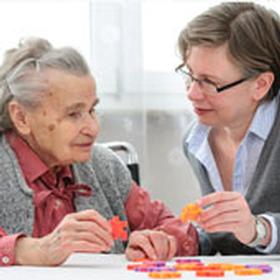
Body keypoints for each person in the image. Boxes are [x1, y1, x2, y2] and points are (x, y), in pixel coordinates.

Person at [0, 37, 198, 266]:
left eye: (92, 110)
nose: (93, 128)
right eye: (73, 114)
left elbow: (178, 230)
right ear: (21, 117)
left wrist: (159, 241)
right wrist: (31, 250)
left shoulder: (104, 166)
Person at [177, 2, 280, 255]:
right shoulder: (195, 140)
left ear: (261, 85)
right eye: (190, 75)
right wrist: (181, 240)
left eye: (210, 82)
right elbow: (224, 237)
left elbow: (249, 232)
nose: (191, 93)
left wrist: (259, 230)